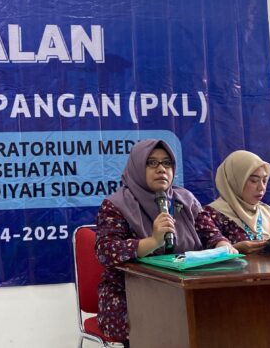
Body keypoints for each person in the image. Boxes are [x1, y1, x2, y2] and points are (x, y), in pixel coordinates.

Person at [94, 140, 234, 342]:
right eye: (152, 163)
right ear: (137, 166)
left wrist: (223, 246)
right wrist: (153, 241)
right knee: (162, 326)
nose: (161, 169)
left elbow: (211, 234)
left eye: (167, 163)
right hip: (130, 292)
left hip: (185, 288)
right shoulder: (115, 205)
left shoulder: (185, 199)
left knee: (221, 319)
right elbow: (105, 251)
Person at [195, 150, 270, 254]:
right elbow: (213, 253)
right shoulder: (210, 215)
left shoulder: (268, 213)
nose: (262, 187)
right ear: (235, 181)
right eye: (254, 181)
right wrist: (237, 249)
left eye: (264, 180)